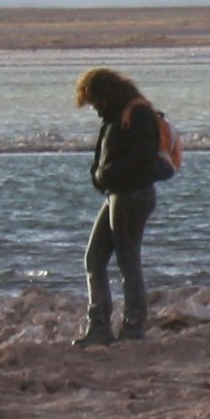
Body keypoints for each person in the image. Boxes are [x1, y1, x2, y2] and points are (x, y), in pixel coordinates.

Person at [74, 66, 171, 344]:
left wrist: (106, 174)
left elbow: (141, 160)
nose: (96, 110)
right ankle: (100, 327)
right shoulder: (117, 115)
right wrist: (100, 176)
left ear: (107, 94)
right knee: (94, 258)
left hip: (132, 195)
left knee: (128, 260)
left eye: (96, 103)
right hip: (118, 194)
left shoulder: (137, 114)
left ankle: (133, 326)